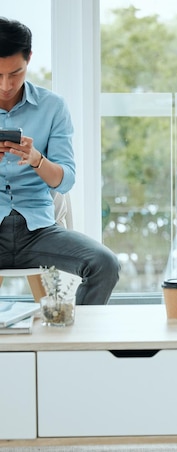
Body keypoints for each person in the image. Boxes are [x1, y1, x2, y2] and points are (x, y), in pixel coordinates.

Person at [0, 17, 119, 304]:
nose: (6, 85)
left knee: (105, 264)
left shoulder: (52, 107)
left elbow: (64, 181)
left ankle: (75, 347)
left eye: (15, 73)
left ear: (29, 58)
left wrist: (36, 159)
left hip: (38, 231)